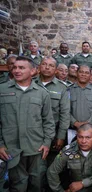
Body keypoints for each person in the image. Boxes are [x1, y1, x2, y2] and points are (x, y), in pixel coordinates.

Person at [0, 56, 55, 191]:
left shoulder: (42, 93)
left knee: (36, 184)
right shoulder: (2, 90)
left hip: (36, 149)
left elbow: (48, 121)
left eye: (22, 68)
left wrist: (47, 143)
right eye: (15, 67)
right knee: (17, 185)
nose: (17, 71)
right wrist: (0, 144)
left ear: (33, 71)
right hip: (11, 148)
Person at [47, 124, 92, 192]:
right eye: (80, 137)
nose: (83, 141)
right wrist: (59, 190)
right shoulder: (69, 150)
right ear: (76, 136)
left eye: (88, 137)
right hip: (77, 187)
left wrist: (83, 183)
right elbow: (52, 171)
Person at [35, 57, 70, 166]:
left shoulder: (62, 87)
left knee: (51, 165)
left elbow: (65, 113)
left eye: (51, 66)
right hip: (33, 132)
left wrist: (61, 136)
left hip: (53, 133)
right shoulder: (31, 84)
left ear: (56, 70)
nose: (47, 67)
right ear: (39, 67)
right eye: (44, 64)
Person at [69, 65, 92, 143]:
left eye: (87, 73)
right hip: (73, 130)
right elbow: (65, 110)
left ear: (90, 76)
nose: (83, 74)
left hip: (91, 130)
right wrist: (75, 123)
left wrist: (87, 124)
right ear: (77, 73)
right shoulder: (68, 90)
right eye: (81, 72)